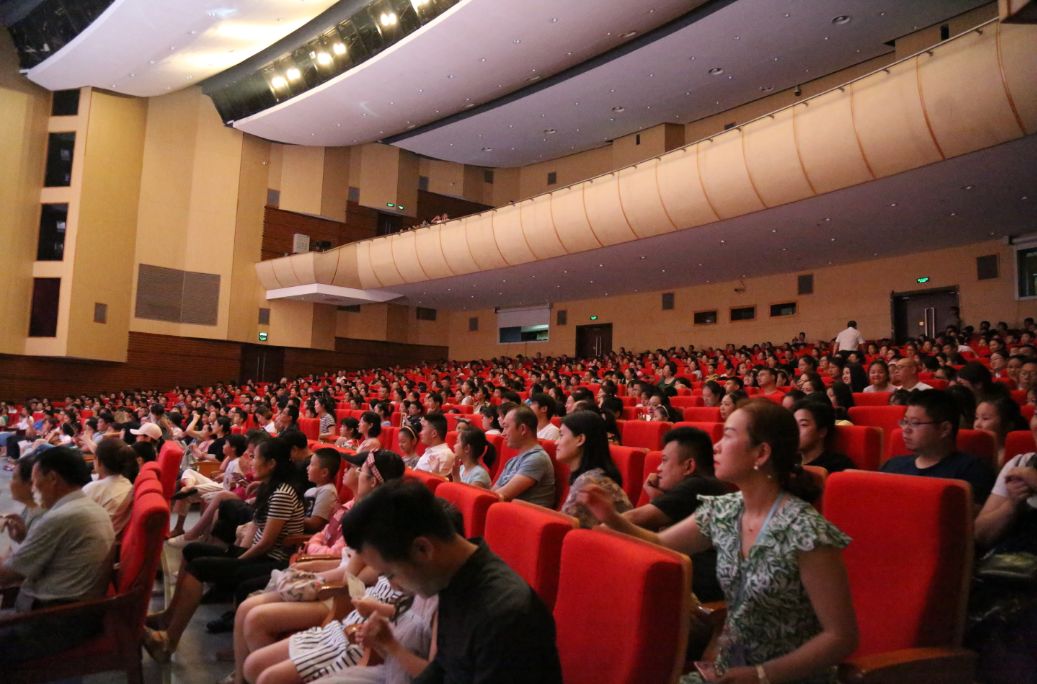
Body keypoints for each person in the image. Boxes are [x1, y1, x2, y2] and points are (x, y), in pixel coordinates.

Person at [580, 399, 858, 682]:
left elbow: (841, 637)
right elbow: (660, 543)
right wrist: (611, 517)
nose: (716, 446)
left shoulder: (807, 532)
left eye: (728, 436)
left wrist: (760, 675)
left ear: (761, 453)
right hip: (729, 671)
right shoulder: (724, 510)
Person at [341, 479, 563, 683]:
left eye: (390, 574)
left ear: (423, 549)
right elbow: (442, 671)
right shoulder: (452, 581)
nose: (392, 585)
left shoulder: (505, 615)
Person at [144, 437, 306, 662]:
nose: (250, 462)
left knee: (199, 567)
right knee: (192, 551)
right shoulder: (270, 488)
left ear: (271, 464)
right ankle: (169, 616)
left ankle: (168, 643)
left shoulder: (282, 494)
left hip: (271, 560)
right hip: (258, 554)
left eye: (255, 458)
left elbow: (267, 543)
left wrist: (238, 559)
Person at [0, 448, 116, 663]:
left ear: (53, 478)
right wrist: (24, 539)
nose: (33, 488)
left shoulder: (62, 517)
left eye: (35, 481)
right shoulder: (85, 507)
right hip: (72, 615)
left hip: (54, 624)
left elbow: (7, 575)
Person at [880, 390, 995, 505]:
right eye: (905, 422)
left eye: (915, 423)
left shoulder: (971, 472)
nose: (906, 429)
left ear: (944, 429)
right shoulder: (893, 465)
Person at [554, 410, 630, 528]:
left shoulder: (590, 482)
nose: (556, 442)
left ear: (580, 439)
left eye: (561, 435)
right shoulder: (589, 476)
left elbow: (561, 527)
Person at [493, 406, 556, 508]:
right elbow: (492, 493)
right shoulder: (512, 461)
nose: (503, 433)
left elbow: (503, 495)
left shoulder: (537, 458)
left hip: (526, 516)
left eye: (506, 427)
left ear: (522, 429)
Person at [82, 437, 135, 536]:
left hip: (95, 538)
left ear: (99, 461)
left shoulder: (93, 488)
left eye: (94, 458)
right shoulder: (127, 483)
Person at [793, 400, 856, 473]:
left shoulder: (838, 466)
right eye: (794, 424)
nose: (795, 430)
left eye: (803, 425)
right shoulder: (789, 461)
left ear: (822, 431)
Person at [973, 394, 1027, 466]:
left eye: (985, 418)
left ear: (1008, 425)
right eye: (976, 418)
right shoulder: (971, 449)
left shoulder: (1013, 458)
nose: (977, 424)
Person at [0, 455, 42, 545]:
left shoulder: (40, 517)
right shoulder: (31, 508)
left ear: (31, 484)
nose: (10, 483)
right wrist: (19, 536)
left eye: (14, 478)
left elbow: (29, 551)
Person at [415, 413, 453, 477]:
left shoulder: (445, 455)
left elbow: (436, 481)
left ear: (434, 433)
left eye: (423, 428)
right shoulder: (431, 450)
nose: (420, 433)